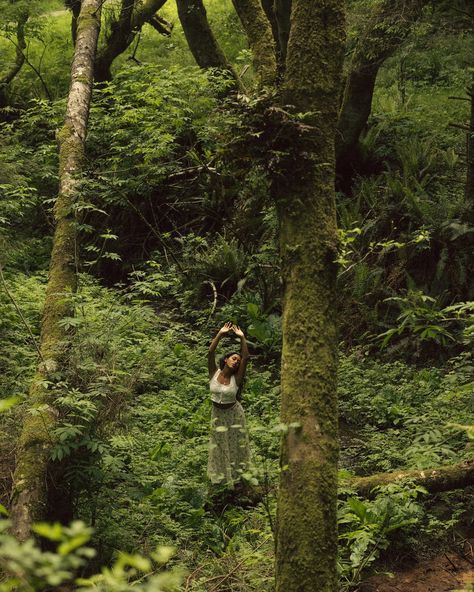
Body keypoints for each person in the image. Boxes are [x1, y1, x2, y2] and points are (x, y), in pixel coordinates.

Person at [207, 322, 250, 488]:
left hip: (234, 414)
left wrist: (242, 338)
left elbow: (246, 357)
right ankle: (220, 480)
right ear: (226, 360)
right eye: (234, 358)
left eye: (238, 361)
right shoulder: (214, 373)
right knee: (218, 447)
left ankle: (238, 479)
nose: (237, 362)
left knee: (234, 446)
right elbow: (210, 352)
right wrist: (220, 334)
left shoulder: (236, 379)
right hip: (217, 415)